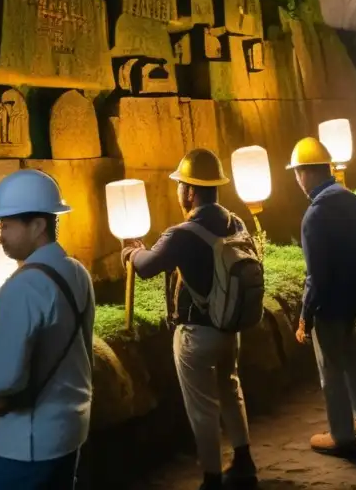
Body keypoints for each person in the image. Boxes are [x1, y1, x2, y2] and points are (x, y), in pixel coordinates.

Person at [121, 149, 258, 490]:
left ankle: (212, 478)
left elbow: (148, 266)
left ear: (190, 191)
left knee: (202, 406)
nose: (178, 191)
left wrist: (129, 251)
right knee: (230, 388)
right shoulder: (236, 222)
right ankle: (244, 461)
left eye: (180, 185)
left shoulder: (183, 233)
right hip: (229, 327)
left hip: (196, 333)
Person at [0, 169, 95, 490]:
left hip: (26, 441)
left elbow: (5, 377)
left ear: (38, 225)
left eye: (7, 225)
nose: (1, 234)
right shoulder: (77, 272)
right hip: (69, 427)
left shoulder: (22, 286)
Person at [289, 137, 356, 459]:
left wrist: (305, 315)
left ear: (308, 173)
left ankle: (342, 436)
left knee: (331, 370)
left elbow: (315, 275)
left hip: (329, 305)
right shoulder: (350, 198)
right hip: (354, 298)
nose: (297, 180)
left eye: (297, 172)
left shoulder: (314, 215)